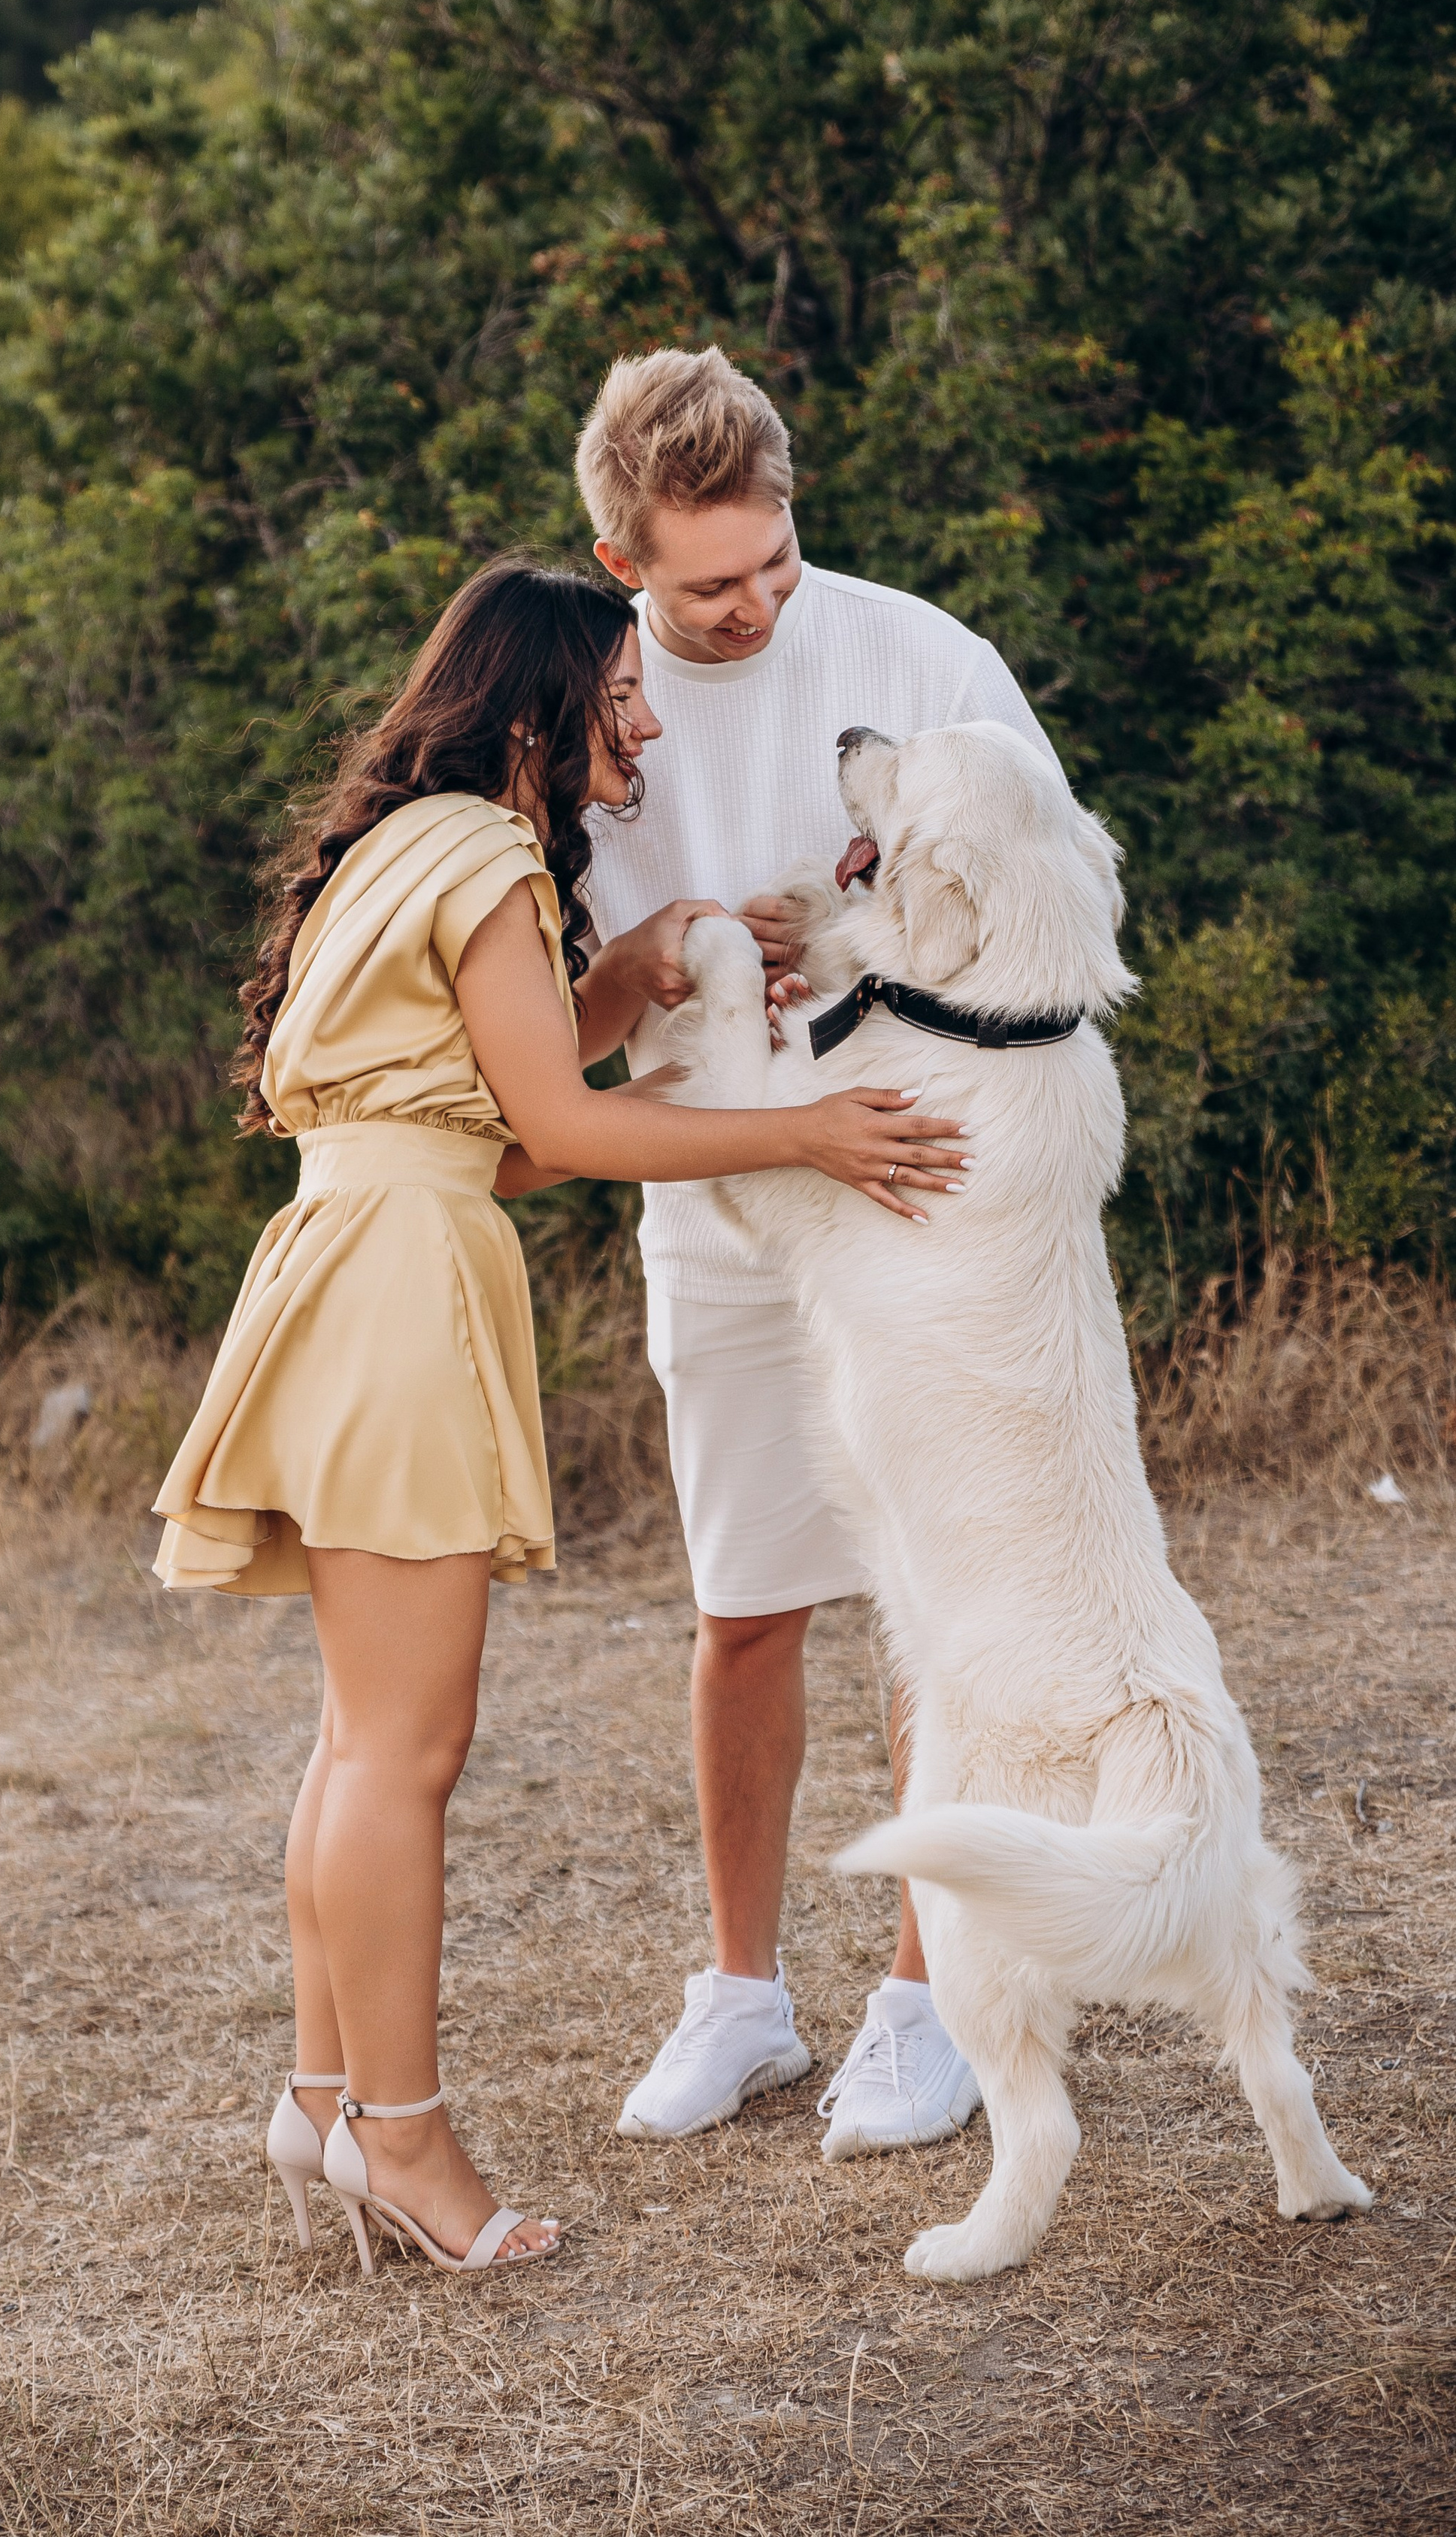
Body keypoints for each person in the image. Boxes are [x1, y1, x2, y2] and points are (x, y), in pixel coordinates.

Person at [151, 557, 970, 2277]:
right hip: (395, 1293)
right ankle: (402, 2139)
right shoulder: (489, 861)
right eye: (619, 699)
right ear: (535, 708)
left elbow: (493, 1130)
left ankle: (320, 2096)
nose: (648, 724)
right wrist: (806, 1130)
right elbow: (569, 1138)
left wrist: (638, 977)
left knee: (356, 1740)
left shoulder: (395, 849)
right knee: (404, 1753)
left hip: (343, 1257)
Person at [573, 346, 1064, 2156]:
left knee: (929, 1599)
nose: (758, 603)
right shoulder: (577, 708)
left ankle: (929, 2001)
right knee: (742, 1602)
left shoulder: (920, 658)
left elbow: (1041, 901)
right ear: (620, 559)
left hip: (912, 1188)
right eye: (712, 583)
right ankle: (741, 1998)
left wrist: (852, 949)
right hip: (710, 1198)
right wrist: (655, 961)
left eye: (775, 559)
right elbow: (543, 1018)